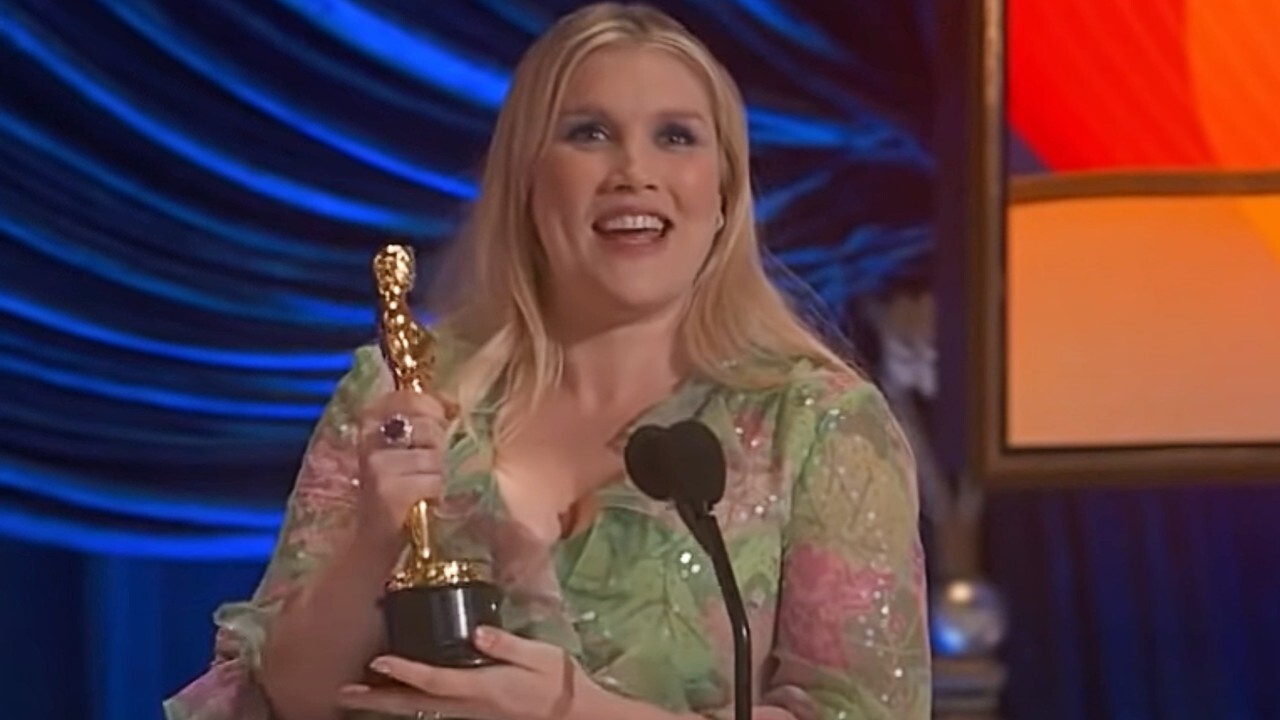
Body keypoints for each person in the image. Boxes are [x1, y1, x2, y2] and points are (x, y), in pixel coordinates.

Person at [163, 3, 931, 719]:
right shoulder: (403, 389)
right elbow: (287, 700)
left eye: (676, 136)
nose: (635, 170)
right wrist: (372, 541)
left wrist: (580, 711)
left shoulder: (820, 424)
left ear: (725, 194)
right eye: (589, 133)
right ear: (529, 181)